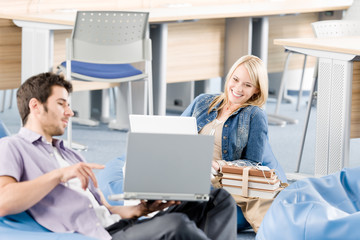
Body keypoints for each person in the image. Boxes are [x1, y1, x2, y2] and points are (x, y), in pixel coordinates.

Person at [0, 72, 237, 240]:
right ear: (35, 106)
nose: (70, 112)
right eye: (61, 104)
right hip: (103, 236)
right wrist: (58, 175)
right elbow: (3, 202)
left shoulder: (68, 153)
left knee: (217, 198)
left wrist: (139, 210)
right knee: (175, 225)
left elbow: (102, 208)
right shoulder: (12, 146)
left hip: (120, 223)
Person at [181, 55, 287, 230]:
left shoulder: (254, 115)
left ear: (257, 91)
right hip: (187, 165)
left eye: (247, 85)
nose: (238, 88)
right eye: (235, 79)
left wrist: (218, 165)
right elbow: (175, 133)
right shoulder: (202, 101)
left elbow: (253, 163)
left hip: (216, 176)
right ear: (229, 77)